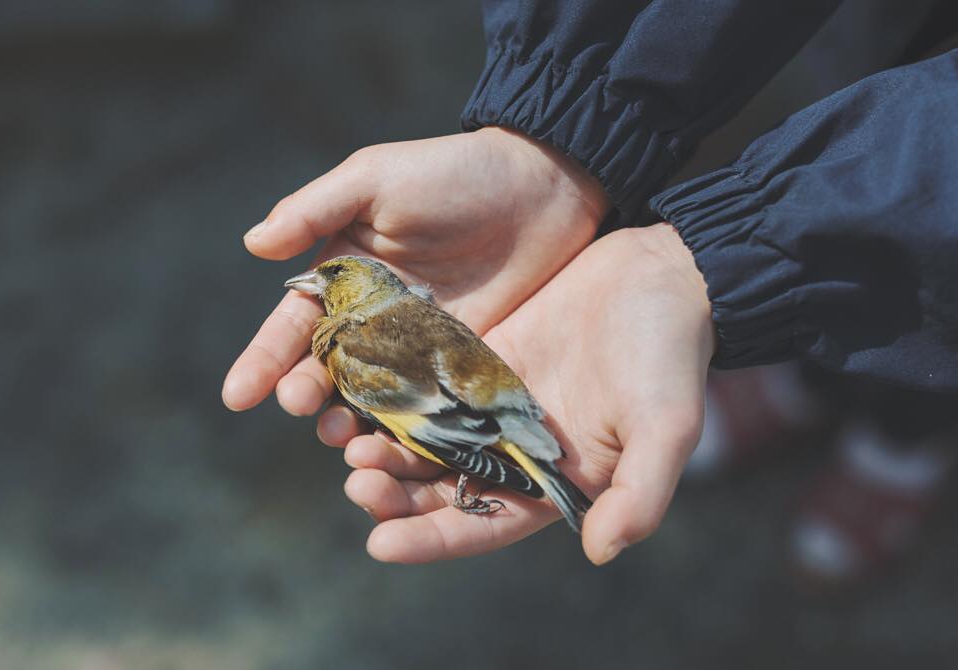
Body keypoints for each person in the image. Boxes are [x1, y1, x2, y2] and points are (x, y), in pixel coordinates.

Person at [223, 1, 958, 567]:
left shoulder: (355, 352)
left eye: (330, 277)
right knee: (872, 65)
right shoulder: (393, 319)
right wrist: (557, 124)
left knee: (911, 294)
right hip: (490, 406)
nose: (313, 286)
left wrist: (724, 258)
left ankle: (902, 435)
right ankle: (814, 376)